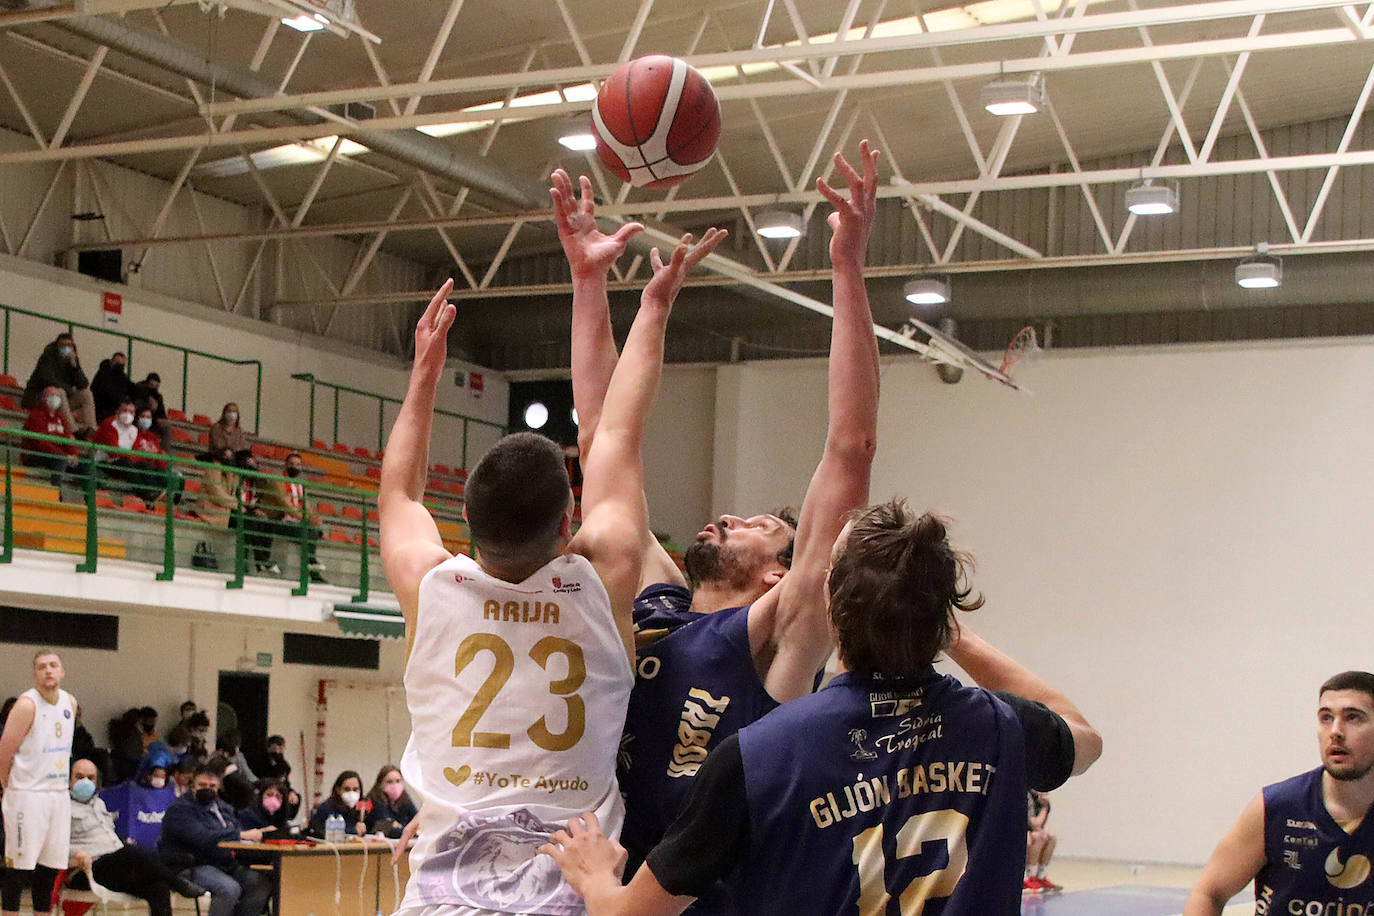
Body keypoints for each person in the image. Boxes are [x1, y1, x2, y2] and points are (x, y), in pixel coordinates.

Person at [557, 143, 883, 899]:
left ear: (780, 570)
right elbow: (603, 439)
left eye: (759, 526)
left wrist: (848, 269)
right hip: (617, 898)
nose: (728, 517)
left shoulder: (785, 641)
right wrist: (588, 282)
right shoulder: (659, 601)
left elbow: (850, 451)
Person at [380, 217, 723, 911]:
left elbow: (398, 492)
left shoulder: (429, 582)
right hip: (564, 893)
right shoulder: (602, 576)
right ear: (569, 524)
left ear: (465, 525)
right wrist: (651, 305)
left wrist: (424, 373)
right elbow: (618, 431)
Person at [542, 499, 1104, 915]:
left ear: (831, 609)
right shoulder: (999, 726)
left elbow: (629, 915)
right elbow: (1084, 738)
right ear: (941, 615)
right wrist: (953, 636)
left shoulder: (760, 753)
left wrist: (594, 875)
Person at [1184, 670, 1374, 916]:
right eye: (1326, 718)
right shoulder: (1277, 807)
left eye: (1353, 718)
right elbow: (1208, 893)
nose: (1335, 731)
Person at [65, 759, 206, 916]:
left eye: (91, 778)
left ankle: (174, 883)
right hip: (86, 868)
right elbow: (53, 846)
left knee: (158, 886)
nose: (85, 782)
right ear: (69, 779)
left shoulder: (99, 803)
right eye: (79, 776)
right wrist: (77, 855)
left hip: (117, 865)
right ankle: (179, 884)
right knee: (130, 852)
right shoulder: (61, 807)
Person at [0, 651, 78, 916]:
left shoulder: (70, 702)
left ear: (62, 671)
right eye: (42, 666)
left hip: (57, 794)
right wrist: (7, 786)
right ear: (35, 673)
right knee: (19, 869)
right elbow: (4, 751)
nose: (48, 670)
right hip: (27, 794)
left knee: (49, 869)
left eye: (53, 665)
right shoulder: (26, 704)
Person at [158, 766, 272, 916]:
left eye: (212, 786)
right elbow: (203, 837)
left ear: (218, 788)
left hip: (224, 863)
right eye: (202, 785)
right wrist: (241, 835)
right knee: (229, 889)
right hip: (191, 865)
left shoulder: (224, 808)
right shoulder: (179, 809)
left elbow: (236, 833)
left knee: (260, 884)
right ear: (192, 786)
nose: (208, 789)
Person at [259, 452, 325, 583]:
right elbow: (286, 506)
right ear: (286, 465)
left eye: (298, 465)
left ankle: (312, 567)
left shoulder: (300, 485)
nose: (295, 467)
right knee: (309, 532)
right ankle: (312, 567)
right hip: (276, 521)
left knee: (315, 531)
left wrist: (315, 518)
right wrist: (307, 519)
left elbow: (307, 506)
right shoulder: (278, 481)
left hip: (294, 521)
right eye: (292, 464)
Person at [22, 333, 95, 433]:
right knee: (59, 391)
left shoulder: (72, 361)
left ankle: (91, 430)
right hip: (39, 397)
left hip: (62, 399)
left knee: (86, 394)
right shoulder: (47, 358)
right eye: (63, 345)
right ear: (57, 346)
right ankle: (73, 431)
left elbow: (83, 384)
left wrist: (75, 367)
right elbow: (49, 381)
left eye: (69, 345)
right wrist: (70, 389)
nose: (66, 348)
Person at [20, 386, 80, 485]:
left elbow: (68, 438)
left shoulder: (60, 418)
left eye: (57, 396)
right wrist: (64, 455)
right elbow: (40, 442)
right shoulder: (36, 415)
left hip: (57, 456)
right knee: (60, 459)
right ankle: (56, 494)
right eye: (51, 395)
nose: (55, 398)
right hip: (35, 455)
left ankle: (89, 499)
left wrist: (74, 455)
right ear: (44, 398)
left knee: (87, 466)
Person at [306, 771, 367, 839]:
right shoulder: (326, 808)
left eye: (355, 790)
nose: (351, 793)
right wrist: (353, 831)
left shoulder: (361, 808)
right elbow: (321, 832)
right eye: (347, 789)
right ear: (338, 789)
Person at [364, 766, 417, 838]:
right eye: (389, 782)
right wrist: (409, 828)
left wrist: (402, 826)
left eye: (398, 781)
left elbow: (418, 821)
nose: (395, 785)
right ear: (380, 784)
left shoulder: (405, 798)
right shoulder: (374, 800)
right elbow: (390, 829)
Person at [1025, 791, 1059, 894]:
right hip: (1018, 830)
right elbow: (1035, 824)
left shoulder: (1042, 801)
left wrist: (1046, 806)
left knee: (1051, 837)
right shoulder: (1028, 796)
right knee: (1039, 837)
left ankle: (1040, 876)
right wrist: (1044, 808)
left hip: (1030, 830)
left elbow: (1041, 825)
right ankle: (1030, 877)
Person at [131, 372, 172, 453]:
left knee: (167, 428)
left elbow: (161, 412)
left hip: (153, 421)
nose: (154, 388)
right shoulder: (138, 390)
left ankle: (163, 454)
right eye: (152, 385)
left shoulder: (158, 397)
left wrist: (161, 418)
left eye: (156, 386)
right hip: (137, 418)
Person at [89, 352, 132, 423]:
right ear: (112, 362)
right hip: (101, 410)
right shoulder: (103, 374)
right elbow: (105, 393)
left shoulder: (123, 378)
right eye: (117, 363)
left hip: (115, 409)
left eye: (122, 364)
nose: (119, 366)